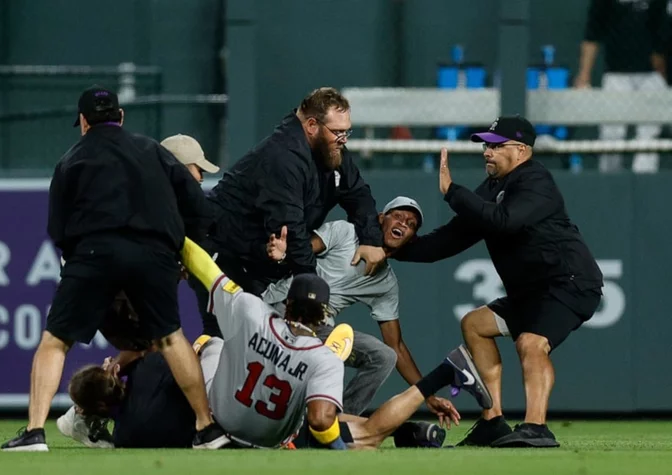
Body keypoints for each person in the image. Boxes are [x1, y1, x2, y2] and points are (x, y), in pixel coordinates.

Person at [60, 238, 491, 450]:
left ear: (286, 304)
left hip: (220, 402)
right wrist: (332, 449)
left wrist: (173, 233)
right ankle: (442, 376)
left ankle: (426, 402)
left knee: (210, 347)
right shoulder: (323, 357)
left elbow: (207, 270)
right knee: (360, 432)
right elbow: (322, 421)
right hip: (266, 424)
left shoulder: (251, 311)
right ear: (324, 316)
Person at [1, 86, 226, 452]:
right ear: (120, 118)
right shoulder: (152, 150)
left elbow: (57, 228)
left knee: (55, 342)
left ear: (84, 123)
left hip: (94, 252)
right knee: (170, 337)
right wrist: (182, 252)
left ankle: (34, 432)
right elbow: (200, 209)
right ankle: (206, 428)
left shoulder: (71, 160)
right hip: (153, 253)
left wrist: (82, 261)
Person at [395, 116, 604, 448]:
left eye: (495, 145)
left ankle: (536, 427)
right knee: (475, 324)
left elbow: (505, 222)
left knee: (531, 343)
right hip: (531, 293)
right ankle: (493, 420)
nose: (486, 152)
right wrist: (391, 249)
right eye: (485, 145)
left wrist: (452, 192)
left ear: (521, 150)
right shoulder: (493, 188)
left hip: (569, 283)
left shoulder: (536, 180)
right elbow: (448, 240)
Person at [192, 87, 385, 338]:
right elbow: (289, 228)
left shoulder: (330, 151)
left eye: (347, 131)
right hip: (225, 258)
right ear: (312, 125)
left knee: (259, 351)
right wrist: (312, 294)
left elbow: (358, 193)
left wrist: (371, 239)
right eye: (338, 132)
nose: (344, 138)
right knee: (224, 344)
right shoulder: (281, 158)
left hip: (260, 262)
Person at [262, 196, 427, 415]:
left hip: (319, 328)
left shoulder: (386, 284)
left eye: (410, 224)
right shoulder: (346, 232)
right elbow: (302, 251)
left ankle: (335, 421)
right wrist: (283, 254)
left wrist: (428, 392)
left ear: (411, 238)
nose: (403, 224)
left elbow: (396, 346)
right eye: (397, 216)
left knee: (384, 357)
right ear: (380, 219)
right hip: (283, 308)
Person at [575, 0, 669, 173]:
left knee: (649, 135)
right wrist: (584, 74)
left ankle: (644, 181)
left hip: (650, 76)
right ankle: (609, 182)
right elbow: (592, 34)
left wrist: (662, 72)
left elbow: (663, 31)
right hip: (616, 75)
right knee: (611, 134)